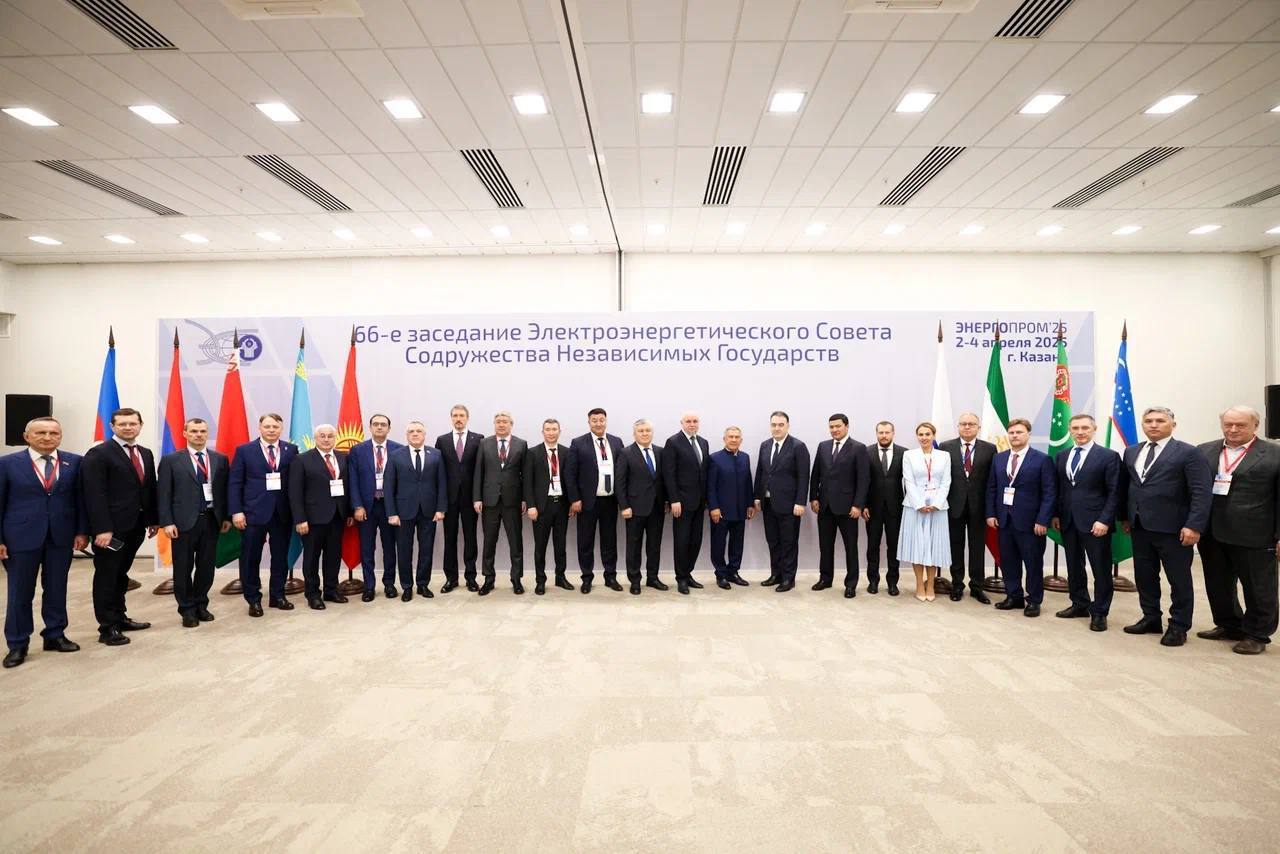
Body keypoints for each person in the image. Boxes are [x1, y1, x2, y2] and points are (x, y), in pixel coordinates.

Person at [1118, 406, 1213, 647]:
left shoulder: (1189, 453)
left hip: (1174, 529)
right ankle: (1150, 618)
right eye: (1149, 421)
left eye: (1160, 420)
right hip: (1140, 526)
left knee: (1178, 580)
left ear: (1173, 424)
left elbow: (1201, 492)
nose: (1154, 425)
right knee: (1145, 576)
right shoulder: (1132, 451)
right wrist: (1125, 518)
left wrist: (1194, 525)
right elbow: (1128, 487)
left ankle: (1179, 626)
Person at [0, 417, 87, 668]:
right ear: (27, 436)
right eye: (40, 433)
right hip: (20, 538)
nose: (47, 437)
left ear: (60, 436)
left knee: (57, 588)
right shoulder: (7, 464)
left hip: (61, 536)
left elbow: (80, 500)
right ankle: (18, 643)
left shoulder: (75, 462)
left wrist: (82, 532)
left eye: (53, 433)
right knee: (20, 592)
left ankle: (55, 634)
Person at [1195, 405, 1280, 655]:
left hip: (1255, 534)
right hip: (1212, 532)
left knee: (1259, 588)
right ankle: (1229, 625)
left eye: (1240, 425)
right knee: (1218, 584)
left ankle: (1257, 634)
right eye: (1228, 424)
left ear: (1255, 425)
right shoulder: (1204, 450)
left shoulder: (1274, 454)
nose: (1233, 429)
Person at [81, 407, 158, 646]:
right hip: (110, 530)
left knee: (121, 574)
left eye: (132, 423)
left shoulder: (145, 453)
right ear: (112, 427)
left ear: (140, 425)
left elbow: (149, 488)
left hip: (135, 526)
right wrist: (102, 528)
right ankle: (108, 627)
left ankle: (120, 617)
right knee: (107, 576)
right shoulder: (99, 453)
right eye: (122, 424)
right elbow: (94, 494)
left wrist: (153, 519)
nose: (128, 427)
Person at [156, 418, 230, 627]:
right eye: (194, 431)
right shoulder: (171, 460)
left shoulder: (220, 459)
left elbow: (224, 491)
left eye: (203, 431)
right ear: (185, 433)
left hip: (211, 520)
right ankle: (187, 609)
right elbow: (163, 493)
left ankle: (201, 605)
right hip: (182, 523)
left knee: (206, 567)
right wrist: (167, 522)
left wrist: (225, 517)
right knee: (183, 568)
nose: (199, 435)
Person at [1050, 414, 1121, 632]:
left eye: (1085, 428)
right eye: (1075, 428)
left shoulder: (1108, 456)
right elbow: (1059, 488)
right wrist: (1056, 514)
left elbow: (1115, 492)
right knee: (1074, 565)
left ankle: (1100, 612)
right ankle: (1079, 603)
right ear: (1070, 430)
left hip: (1096, 523)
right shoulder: (1062, 456)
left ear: (1094, 429)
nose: (1080, 432)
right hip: (1068, 521)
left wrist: (1104, 520)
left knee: (1100, 569)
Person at [228, 413, 299, 616]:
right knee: (250, 558)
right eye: (267, 426)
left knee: (280, 557)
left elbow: (295, 482)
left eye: (275, 427)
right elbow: (235, 483)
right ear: (260, 428)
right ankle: (253, 599)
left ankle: (277, 596)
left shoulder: (291, 450)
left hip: (282, 513)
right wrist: (236, 511)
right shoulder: (244, 450)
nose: (271, 430)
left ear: (281, 428)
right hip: (252, 513)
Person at [985, 418, 1057, 618]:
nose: (1015, 436)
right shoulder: (999, 458)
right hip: (1004, 521)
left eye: (1019, 432)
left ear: (1028, 435)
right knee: (1008, 561)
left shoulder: (1042, 459)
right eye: (1012, 433)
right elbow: (992, 488)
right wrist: (990, 513)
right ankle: (1013, 596)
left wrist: (1043, 520)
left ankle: (1034, 600)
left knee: (1033, 563)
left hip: (1031, 523)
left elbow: (1049, 492)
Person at [288, 424, 354, 609]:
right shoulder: (301, 459)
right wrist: (300, 519)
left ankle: (331, 590)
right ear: (315, 439)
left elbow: (348, 486)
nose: (326, 439)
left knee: (333, 556)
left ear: (335, 438)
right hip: (312, 519)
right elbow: (295, 492)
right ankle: (313, 594)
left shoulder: (343, 457)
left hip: (337, 516)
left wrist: (348, 512)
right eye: (322, 436)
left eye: (330, 436)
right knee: (311, 558)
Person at [385, 421, 447, 602]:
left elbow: (442, 483)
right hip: (403, 512)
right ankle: (406, 586)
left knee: (426, 549)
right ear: (407, 435)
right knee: (404, 550)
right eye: (411, 431)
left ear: (424, 434)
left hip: (429, 511)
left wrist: (441, 508)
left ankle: (423, 584)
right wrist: (391, 512)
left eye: (419, 431)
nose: (415, 434)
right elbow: (389, 486)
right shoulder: (396, 456)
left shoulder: (436, 454)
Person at [810, 413, 869, 598]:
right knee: (825, 546)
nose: (834, 430)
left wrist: (858, 505)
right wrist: (813, 498)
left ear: (846, 426)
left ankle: (851, 584)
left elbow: (863, 480)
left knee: (850, 547)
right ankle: (825, 579)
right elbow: (815, 474)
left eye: (838, 426)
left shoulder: (858, 448)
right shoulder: (823, 446)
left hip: (848, 508)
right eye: (831, 427)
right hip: (825, 506)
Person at [939, 413, 995, 604]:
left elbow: (992, 481)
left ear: (979, 427)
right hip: (954, 505)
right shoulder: (945, 447)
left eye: (971, 424)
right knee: (956, 547)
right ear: (958, 426)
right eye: (963, 424)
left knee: (977, 548)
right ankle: (957, 585)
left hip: (979, 507)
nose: (967, 427)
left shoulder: (989, 449)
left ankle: (977, 587)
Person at [568, 408, 625, 593]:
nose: (598, 423)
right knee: (585, 542)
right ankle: (587, 578)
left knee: (610, 541)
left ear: (606, 421)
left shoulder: (616, 442)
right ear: (589, 422)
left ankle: (610, 577)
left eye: (601, 420)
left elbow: (623, 471)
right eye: (594, 420)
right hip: (587, 502)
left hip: (610, 500)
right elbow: (570, 474)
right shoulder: (578, 443)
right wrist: (575, 499)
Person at [754, 411, 811, 593]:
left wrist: (800, 502)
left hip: (789, 505)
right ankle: (776, 574)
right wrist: (757, 496)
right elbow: (761, 472)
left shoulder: (798, 446)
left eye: (780, 424)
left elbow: (804, 476)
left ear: (787, 426)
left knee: (788, 542)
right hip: (768, 503)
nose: (777, 428)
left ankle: (788, 578)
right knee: (773, 541)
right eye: (774, 424)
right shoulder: (765, 445)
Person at [473, 411, 528, 595]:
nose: (501, 424)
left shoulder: (521, 444)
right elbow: (478, 472)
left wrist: (524, 499)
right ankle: (488, 580)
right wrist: (477, 498)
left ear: (511, 424)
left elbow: (525, 474)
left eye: (505, 421)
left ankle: (516, 580)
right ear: (494, 424)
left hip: (513, 501)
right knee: (489, 543)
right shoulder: (484, 443)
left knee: (516, 543)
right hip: (490, 501)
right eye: (498, 422)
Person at [349, 414, 402, 600]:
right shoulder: (358, 450)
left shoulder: (398, 449)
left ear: (389, 428)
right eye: (376, 424)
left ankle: (389, 584)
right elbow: (353, 481)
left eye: (383, 425)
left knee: (389, 547)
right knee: (367, 549)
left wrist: (397, 508)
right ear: (370, 427)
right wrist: (357, 505)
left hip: (389, 506)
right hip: (366, 507)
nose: (379, 427)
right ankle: (369, 586)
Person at [897, 422, 951, 602]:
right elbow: (909, 481)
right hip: (914, 507)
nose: (924, 437)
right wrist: (919, 504)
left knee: (933, 546)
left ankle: (930, 585)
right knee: (917, 546)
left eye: (927, 434)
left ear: (933, 435)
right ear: (917, 436)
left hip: (938, 508)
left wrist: (936, 503)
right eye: (920, 434)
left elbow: (946, 482)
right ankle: (920, 584)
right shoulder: (909, 455)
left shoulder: (944, 456)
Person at [525, 419, 578, 595]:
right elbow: (527, 482)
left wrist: (572, 501)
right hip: (542, 506)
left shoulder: (567, 452)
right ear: (543, 432)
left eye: (554, 429)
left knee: (560, 545)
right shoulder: (532, 453)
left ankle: (560, 577)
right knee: (540, 547)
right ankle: (540, 581)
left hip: (561, 504)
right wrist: (531, 505)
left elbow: (571, 479)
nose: (551, 432)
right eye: (548, 429)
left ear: (559, 432)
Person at [615, 419, 667, 594]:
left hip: (657, 508)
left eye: (647, 430)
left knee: (654, 546)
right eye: (641, 431)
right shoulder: (626, 453)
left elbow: (664, 480)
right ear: (634, 434)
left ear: (652, 433)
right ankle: (635, 580)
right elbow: (620, 482)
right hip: (634, 508)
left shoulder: (660, 452)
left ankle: (653, 578)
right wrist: (624, 506)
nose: (645, 433)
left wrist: (666, 501)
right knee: (634, 546)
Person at [436, 405, 482, 593]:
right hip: (449, 498)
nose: (458, 419)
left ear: (467, 418)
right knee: (450, 539)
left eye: (462, 415)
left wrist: (478, 497)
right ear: (451, 418)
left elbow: (481, 470)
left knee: (470, 538)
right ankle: (451, 578)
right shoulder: (442, 440)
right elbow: (439, 471)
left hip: (471, 498)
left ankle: (471, 578)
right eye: (455, 415)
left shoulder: (478, 439)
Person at [662, 411, 710, 593]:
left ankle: (688, 573)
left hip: (699, 502)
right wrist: (673, 499)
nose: (692, 424)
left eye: (695, 421)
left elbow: (704, 472)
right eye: (688, 421)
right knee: (682, 541)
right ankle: (681, 578)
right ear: (681, 423)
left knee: (695, 540)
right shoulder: (673, 442)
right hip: (681, 503)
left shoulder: (703, 442)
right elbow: (669, 473)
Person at [707, 427, 755, 591]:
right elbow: (710, 486)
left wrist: (750, 504)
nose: (733, 439)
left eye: (736, 437)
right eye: (730, 437)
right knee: (718, 544)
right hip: (720, 511)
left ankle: (733, 572)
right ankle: (721, 574)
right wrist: (714, 507)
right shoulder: (715, 458)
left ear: (741, 440)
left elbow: (748, 482)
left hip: (740, 509)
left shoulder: (745, 457)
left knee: (737, 543)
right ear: (724, 439)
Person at [864, 421, 906, 596]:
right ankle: (873, 581)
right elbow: (862, 481)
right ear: (876, 433)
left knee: (894, 547)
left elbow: (910, 481)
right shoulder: (866, 452)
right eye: (880, 432)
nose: (884, 435)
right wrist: (863, 505)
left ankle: (892, 582)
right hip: (872, 508)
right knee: (872, 546)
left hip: (896, 508)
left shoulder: (904, 453)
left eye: (887, 432)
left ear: (893, 433)